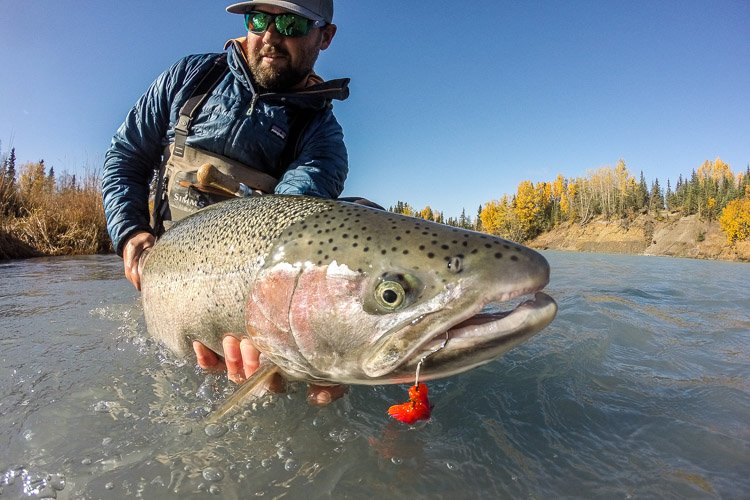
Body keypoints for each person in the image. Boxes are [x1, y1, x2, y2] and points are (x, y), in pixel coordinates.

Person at [101, 0, 347, 404]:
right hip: (161, 279)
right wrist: (131, 234)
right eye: (259, 19)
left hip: (237, 291)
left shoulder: (322, 138)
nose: (270, 35)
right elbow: (126, 155)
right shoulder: (189, 77)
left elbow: (285, 233)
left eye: (290, 22)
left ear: (325, 36)